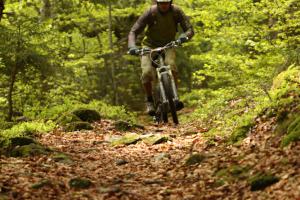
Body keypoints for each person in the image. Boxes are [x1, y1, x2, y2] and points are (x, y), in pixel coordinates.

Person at [128, 0, 194, 116]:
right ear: (157, 3)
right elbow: (134, 31)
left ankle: (175, 96)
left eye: (166, 3)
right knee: (147, 72)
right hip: (149, 46)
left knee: (171, 64)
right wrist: (132, 46)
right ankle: (149, 100)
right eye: (161, 3)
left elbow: (189, 29)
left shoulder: (176, 11)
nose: (164, 5)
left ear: (170, 2)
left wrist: (183, 37)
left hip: (168, 45)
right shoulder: (150, 12)